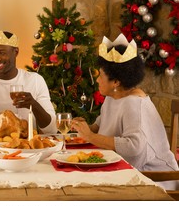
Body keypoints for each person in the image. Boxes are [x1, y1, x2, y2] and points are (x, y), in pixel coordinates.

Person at [71, 34, 179, 189]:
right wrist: (83, 128)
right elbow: (100, 124)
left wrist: (90, 136)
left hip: (153, 179)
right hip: (126, 172)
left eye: (101, 76)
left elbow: (134, 147)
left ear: (116, 81)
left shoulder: (133, 103)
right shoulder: (113, 96)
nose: (97, 80)